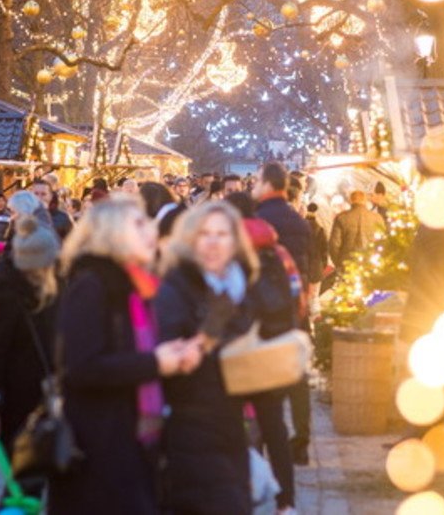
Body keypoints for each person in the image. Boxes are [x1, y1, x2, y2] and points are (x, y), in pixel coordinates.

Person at [50, 196, 201, 514]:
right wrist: (156, 362)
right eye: (138, 224)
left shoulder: (135, 288)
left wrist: (167, 356)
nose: (150, 231)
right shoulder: (91, 286)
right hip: (98, 445)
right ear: (111, 233)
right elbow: (82, 367)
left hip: (132, 441)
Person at [156, 202, 259, 515]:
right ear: (190, 240)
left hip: (231, 424)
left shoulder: (240, 287)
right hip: (187, 426)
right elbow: (165, 353)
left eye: (222, 234)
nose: (214, 243)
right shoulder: (176, 286)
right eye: (205, 234)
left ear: (235, 241)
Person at [224, 192, 299, 513]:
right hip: (271, 349)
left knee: (233, 426)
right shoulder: (277, 250)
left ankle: (243, 492)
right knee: (275, 427)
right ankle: (286, 500)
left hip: (237, 352)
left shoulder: (227, 250)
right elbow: (295, 290)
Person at [0, 215, 59, 499]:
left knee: (30, 482)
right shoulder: (6, 293)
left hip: (39, 399)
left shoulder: (44, 290)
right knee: (24, 483)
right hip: (16, 403)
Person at [253, 161, 313, 464]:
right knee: (297, 375)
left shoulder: (258, 219)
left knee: (266, 381)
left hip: (266, 308)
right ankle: (301, 440)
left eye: (256, 181)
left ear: (267, 184)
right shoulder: (297, 220)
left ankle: (264, 440)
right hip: (295, 304)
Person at [329, 190, 386, 274]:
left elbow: (334, 245)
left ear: (351, 200)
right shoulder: (377, 218)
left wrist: (339, 264)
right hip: (370, 265)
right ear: (365, 201)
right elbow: (382, 243)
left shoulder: (341, 218)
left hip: (347, 265)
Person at [305, 203, 329, 294]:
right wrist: (324, 264)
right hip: (316, 267)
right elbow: (324, 249)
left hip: (303, 267)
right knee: (314, 297)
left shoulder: (300, 227)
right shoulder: (320, 230)